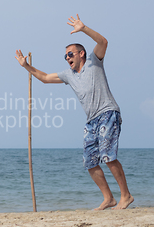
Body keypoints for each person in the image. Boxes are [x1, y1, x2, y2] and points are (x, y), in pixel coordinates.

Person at [15, 14, 134, 210]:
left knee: (108, 156)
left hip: (108, 113)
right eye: (65, 56)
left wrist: (84, 28)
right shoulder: (68, 75)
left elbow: (103, 41)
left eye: (70, 54)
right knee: (90, 161)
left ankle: (126, 196)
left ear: (81, 54)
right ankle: (108, 198)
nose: (67, 58)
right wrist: (26, 66)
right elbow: (44, 77)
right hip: (91, 121)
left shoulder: (94, 62)